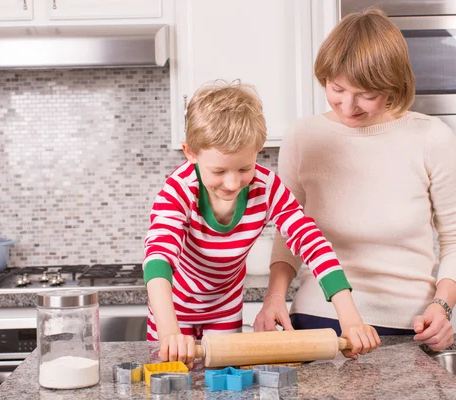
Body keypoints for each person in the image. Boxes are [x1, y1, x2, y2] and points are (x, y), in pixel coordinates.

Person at [253, 9, 456, 352]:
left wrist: (442, 307)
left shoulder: (433, 138)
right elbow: (289, 233)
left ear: (393, 87)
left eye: (366, 94)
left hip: (409, 328)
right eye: (337, 88)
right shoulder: (303, 136)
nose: (347, 105)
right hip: (318, 322)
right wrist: (274, 297)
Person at [143, 81, 380, 369]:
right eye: (218, 171)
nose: (232, 183)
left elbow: (312, 243)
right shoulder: (177, 190)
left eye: (244, 168)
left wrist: (350, 318)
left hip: (224, 308)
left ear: (257, 149)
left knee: (223, 383)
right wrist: (169, 332)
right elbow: (158, 259)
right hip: (171, 308)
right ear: (190, 153)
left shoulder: (267, 187)